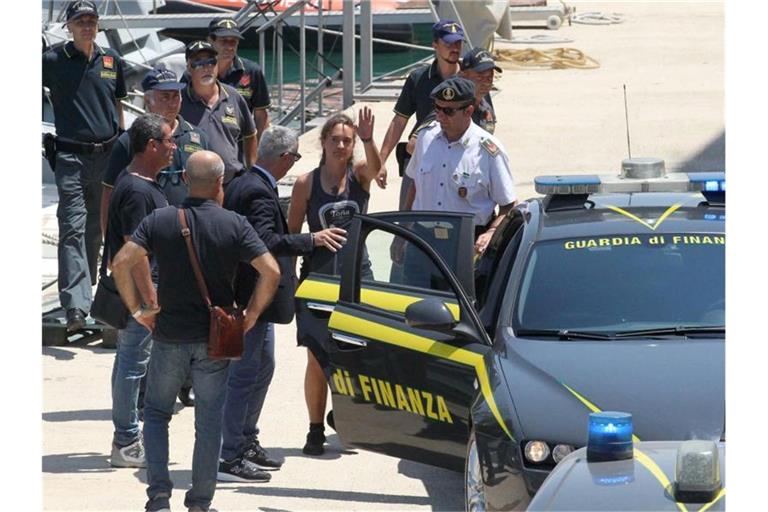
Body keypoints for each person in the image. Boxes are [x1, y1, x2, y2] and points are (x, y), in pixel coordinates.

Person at [111, 150, 280, 512]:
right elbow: (272, 271)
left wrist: (139, 310)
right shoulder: (235, 224)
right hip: (214, 341)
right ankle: (200, 503)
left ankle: (159, 497)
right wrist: (250, 315)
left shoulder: (160, 219)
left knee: (156, 414)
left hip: (169, 336)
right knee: (209, 421)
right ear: (220, 182)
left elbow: (121, 263)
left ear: (186, 180)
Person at [221, 126, 347, 479]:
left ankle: (245, 441)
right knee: (245, 376)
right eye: (295, 158)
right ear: (286, 158)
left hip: (253, 298)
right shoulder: (257, 191)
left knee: (262, 368)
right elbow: (265, 242)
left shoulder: (245, 182)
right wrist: (311, 240)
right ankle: (230, 455)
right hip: (252, 298)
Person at [287, 108, 380, 455]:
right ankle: (315, 429)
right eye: (335, 139)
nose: (341, 146)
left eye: (347, 141)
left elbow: (376, 168)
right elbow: (292, 235)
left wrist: (368, 139)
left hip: (358, 278)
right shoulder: (305, 183)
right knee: (316, 356)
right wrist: (290, 283)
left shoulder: (359, 176)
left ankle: (343, 415)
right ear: (323, 142)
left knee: (356, 355)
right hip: (318, 279)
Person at [42, 0, 126, 331]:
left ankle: (87, 291)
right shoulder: (52, 60)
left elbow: (117, 106)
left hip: (107, 157)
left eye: (91, 21)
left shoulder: (111, 60)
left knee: (96, 229)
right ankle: (76, 305)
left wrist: (124, 148)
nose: (87, 26)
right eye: (80, 21)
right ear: (69, 27)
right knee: (72, 227)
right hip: (71, 158)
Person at [104, 113, 174, 468]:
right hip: (142, 291)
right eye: (169, 141)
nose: (174, 147)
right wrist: (150, 301)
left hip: (139, 289)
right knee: (133, 365)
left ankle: (126, 437)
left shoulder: (139, 183)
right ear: (151, 146)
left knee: (127, 362)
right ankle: (127, 441)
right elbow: (136, 253)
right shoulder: (137, 190)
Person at [404, 77, 516, 257]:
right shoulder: (425, 138)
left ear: (468, 111)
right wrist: (402, 233)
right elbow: (414, 187)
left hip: (466, 244)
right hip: (422, 240)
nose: (440, 116)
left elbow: (508, 204)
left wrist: (491, 233)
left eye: (448, 111)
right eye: (437, 108)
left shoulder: (487, 151)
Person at [377, 20, 464, 205]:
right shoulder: (418, 78)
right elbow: (399, 120)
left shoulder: (469, 79)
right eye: (448, 43)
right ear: (435, 45)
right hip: (419, 158)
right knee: (407, 215)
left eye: (458, 42)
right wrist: (381, 161)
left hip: (457, 158)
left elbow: (486, 122)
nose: (455, 48)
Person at [180, 41, 257, 185]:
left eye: (211, 62)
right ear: (189, 68)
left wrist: (251, 171)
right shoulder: (179, 101)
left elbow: (250, 134)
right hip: (193, 186)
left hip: (232, 182)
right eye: (198, 63)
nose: (206, 68)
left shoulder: (234, 96)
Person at [207, 18, 270, 142]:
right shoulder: (198, 71)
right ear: (210, 40)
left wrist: (260, 148)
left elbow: (261, 114)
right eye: (223, 41)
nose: (229, 47)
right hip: (207, 144)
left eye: (233, 42)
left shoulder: (252, 71)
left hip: (242, 144)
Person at [459, 46, 501, 135]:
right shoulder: (452, 109)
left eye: (490, 77)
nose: (486, 83)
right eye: (480, 77)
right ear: (463, 75)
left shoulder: (486, 107)